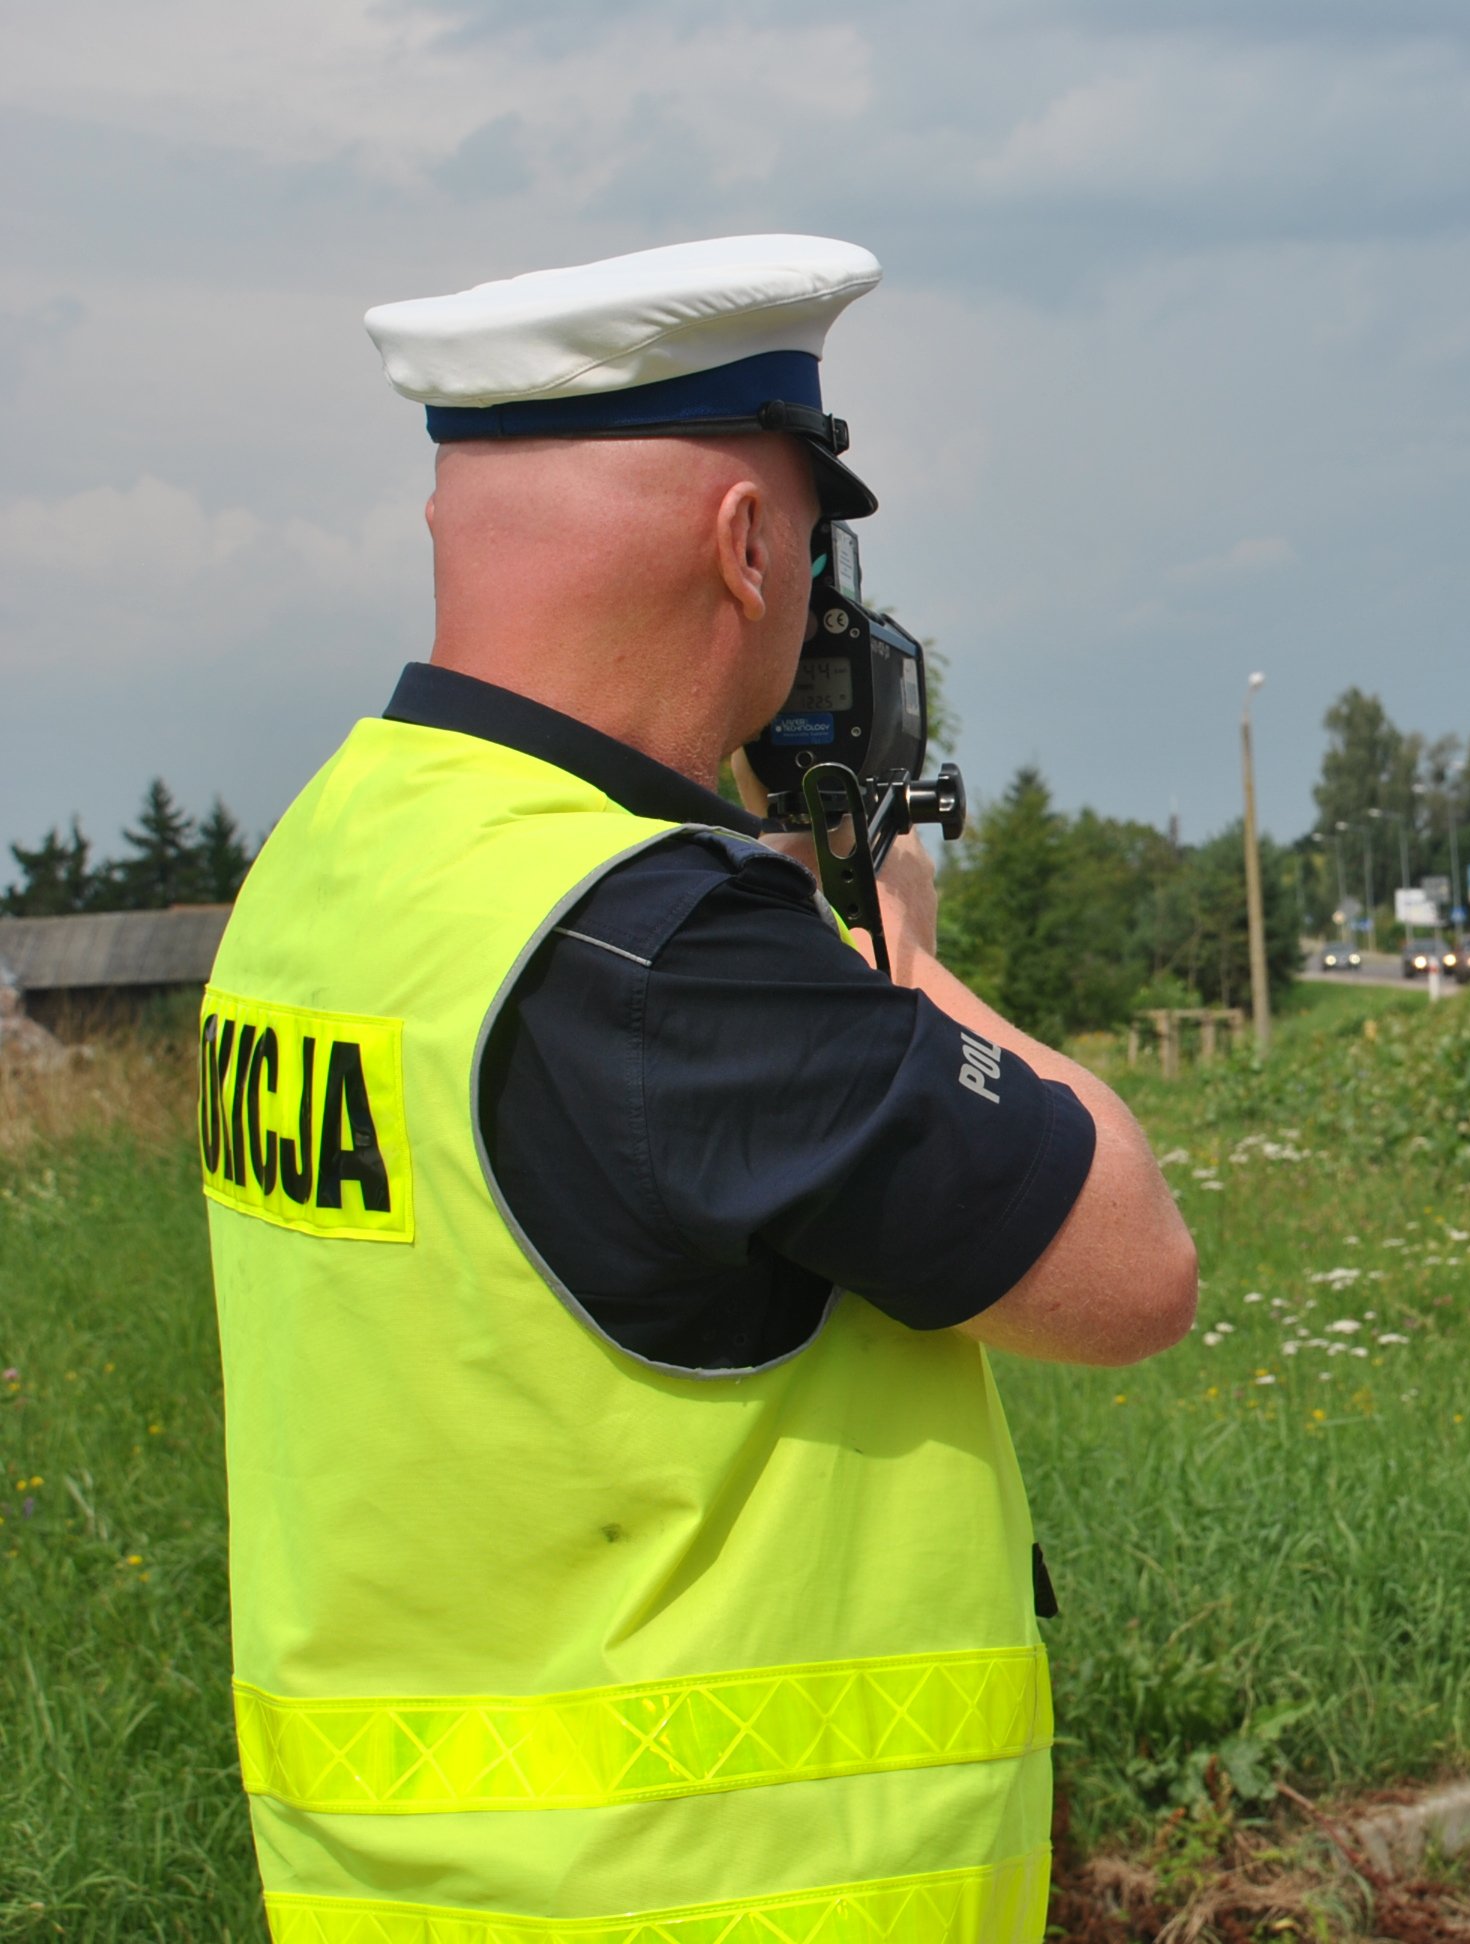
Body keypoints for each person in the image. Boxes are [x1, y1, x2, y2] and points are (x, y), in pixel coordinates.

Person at [199, 236, 1193, 1942]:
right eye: (812, 542)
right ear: (745, 547)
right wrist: (885, 936)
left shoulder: (337, 855)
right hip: (717, 1899)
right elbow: (1127, 1271)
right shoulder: (670, 949)